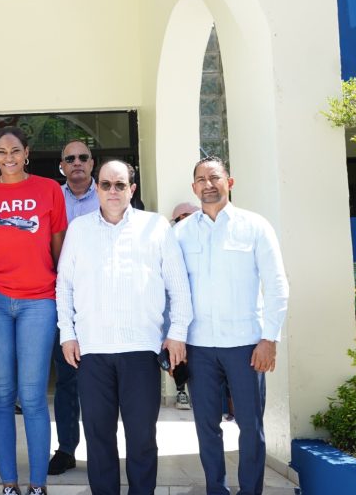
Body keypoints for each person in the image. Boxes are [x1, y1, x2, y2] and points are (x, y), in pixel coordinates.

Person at [56, 160, 192, 495]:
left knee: (141, 437)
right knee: (99, 437)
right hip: (93, 352)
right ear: (97, 189)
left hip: (140, 350)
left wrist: (177, 334)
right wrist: (68, 333)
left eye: (120, 185)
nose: (113, 191)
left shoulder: (156, 227)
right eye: (106, 185)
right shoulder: (79, 229)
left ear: (132, 189)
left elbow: (179, 286)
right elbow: (64, 286)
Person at [172, 156, 289, 495]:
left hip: (246, 346)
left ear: (229, 182)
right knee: (206, 427)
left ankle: (250, 491)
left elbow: (277, 284)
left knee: (250, 427)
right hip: (198, 348)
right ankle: (216, 490)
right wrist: (175, 341)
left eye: (215, 177)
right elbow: (172, 291)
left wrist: (270, 339)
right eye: (200, 179)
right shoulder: (179, 234)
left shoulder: (255, 227)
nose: (208, 185)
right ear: (193, 187)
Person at [0, 127, 66, 495]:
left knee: (34, 395)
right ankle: (9, 482)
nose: (9, 156)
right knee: (2, 394)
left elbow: (59, 249)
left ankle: (37, 484)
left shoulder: (49, 190)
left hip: (40, 300)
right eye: (2, 151)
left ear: (27, 153)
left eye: (15, 150)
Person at [48, 139, 97, 475]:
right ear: (62, 166)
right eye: (70, 159)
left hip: (101, 302)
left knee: (102, 380)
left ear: (92, 163)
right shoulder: (53, 198)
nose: (77, 163)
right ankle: (66, 448)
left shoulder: (111, 193)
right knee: (67, 379)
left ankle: (103, 449)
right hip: (62, 299)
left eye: (83, 158)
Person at [169, 201, 199, 411]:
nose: (183, 220)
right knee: (177, 359)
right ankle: (181, 392)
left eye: (187, 215)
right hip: (177, 313)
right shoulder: (170, 238)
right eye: (178, 218)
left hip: (203, 317)